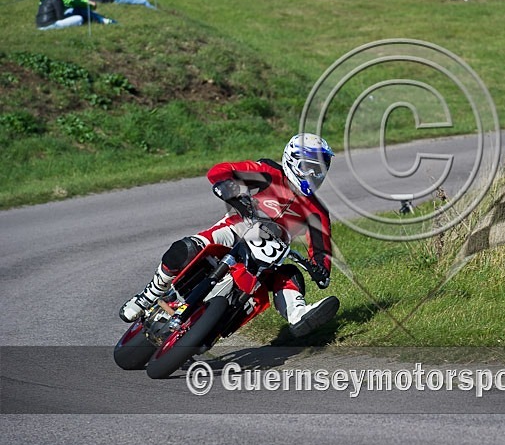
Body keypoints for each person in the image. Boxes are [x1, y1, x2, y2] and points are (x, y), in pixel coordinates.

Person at [119, 133, 340, 338]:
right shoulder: (269, 172)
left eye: (320, 169)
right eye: (309, 167)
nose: (314, 174)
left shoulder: (317, 210)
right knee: (186, 248)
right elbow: (222, 170)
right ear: (292, 160)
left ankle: (298, 315)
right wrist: (229, 190)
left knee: (290, 274)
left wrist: (321, 269)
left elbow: (321, 248)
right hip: (237, 229)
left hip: (272, 257)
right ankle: (148, 295)